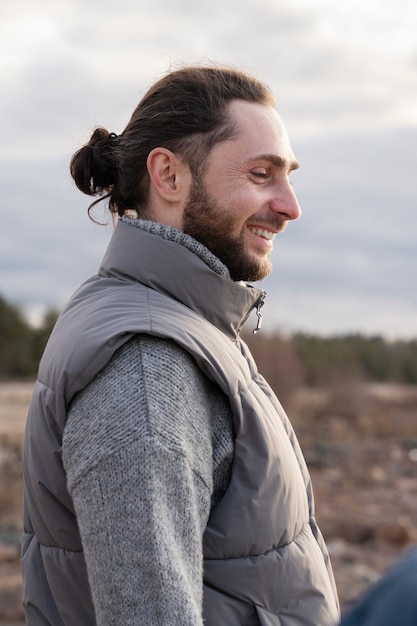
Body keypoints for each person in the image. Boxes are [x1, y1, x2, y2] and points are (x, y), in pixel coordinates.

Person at [21, 64, 340, 625]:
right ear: (168, 176)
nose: (291, 206)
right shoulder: (148, 366)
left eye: (289, 176)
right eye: (262, 174)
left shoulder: (186, 325)